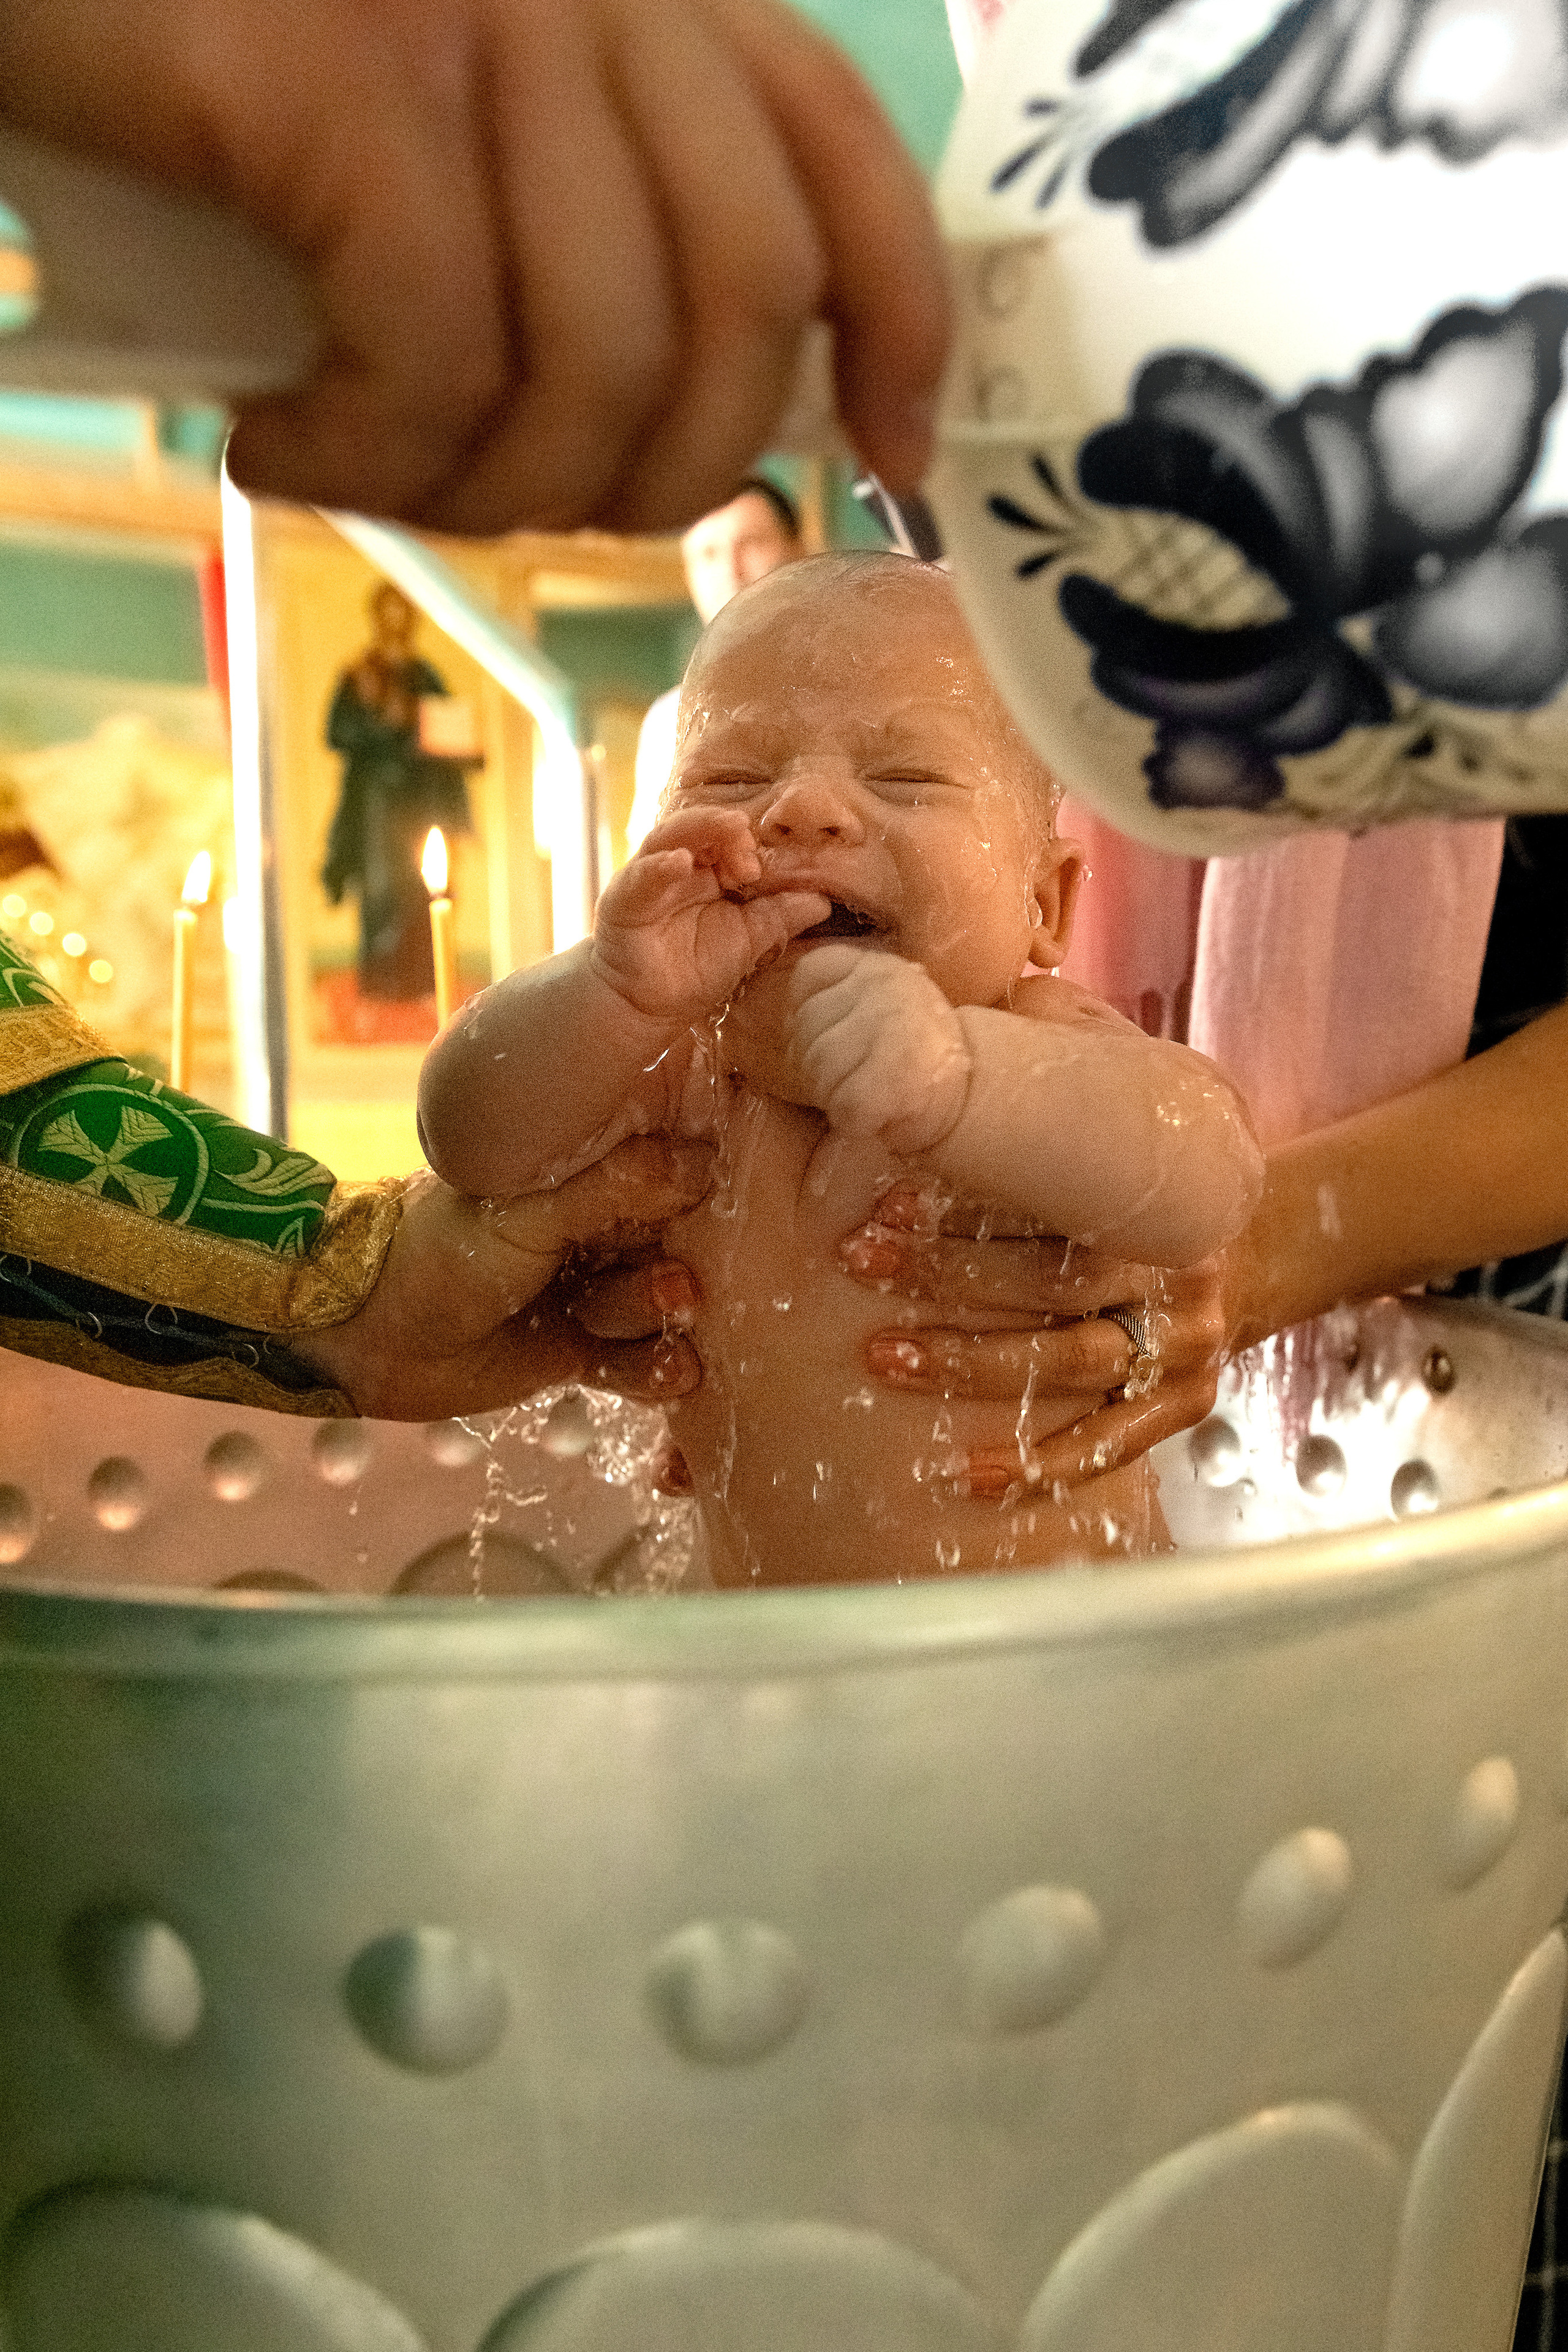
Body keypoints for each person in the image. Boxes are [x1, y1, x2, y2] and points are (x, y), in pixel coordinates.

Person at [418, 554, 1262, 1583]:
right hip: (765, 1674)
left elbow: (1210, 1177)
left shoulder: (1039, 1041)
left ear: (1046, 905)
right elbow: (470, 1141)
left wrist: (966, 1083)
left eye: (904, 778)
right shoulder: (684, 1063)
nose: (803, 811)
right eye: (733, 780)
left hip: (1056, 1665)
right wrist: (609, 992)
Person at [627, 475, 804, 851]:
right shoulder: (667, 722)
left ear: (798, 552)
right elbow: (650, 865)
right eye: (708, 554)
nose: (731, 571)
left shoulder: (857, 690)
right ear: (689, 574)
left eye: (751, 544)